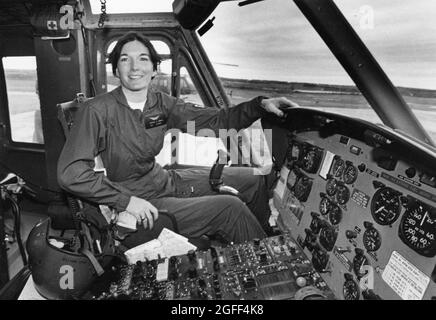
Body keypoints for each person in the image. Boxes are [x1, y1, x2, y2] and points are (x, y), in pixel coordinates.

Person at [57, 32, 298, 248]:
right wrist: (126, 201)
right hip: (140, 201)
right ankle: (272, 264)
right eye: (124, 59)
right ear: (116, 70)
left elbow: (215, 121)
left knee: (253, 178)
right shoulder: (97, 111)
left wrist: (259, 106)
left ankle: (266, 240)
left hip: (165, 180)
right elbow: (71, 173)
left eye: (143, 58)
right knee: (230, 208)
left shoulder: (161, 103)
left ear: (154, 68)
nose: (134, 67)